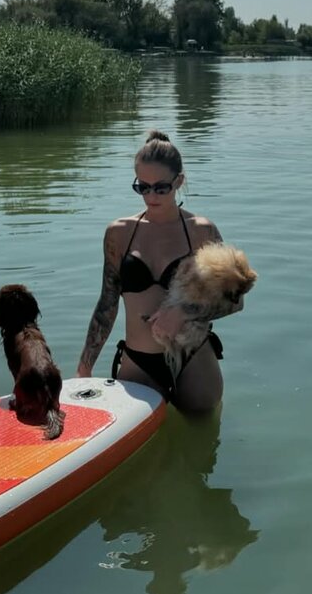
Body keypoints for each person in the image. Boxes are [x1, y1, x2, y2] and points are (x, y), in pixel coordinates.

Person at [76, 130, 237, 414]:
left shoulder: (202, 232)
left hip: (193, 357)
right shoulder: (118, 234)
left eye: (161, 188)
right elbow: (107, 304)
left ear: (179, 182)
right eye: (143, 187)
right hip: (139, 360)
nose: (151, 195)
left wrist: (183, 313)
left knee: (200, 428)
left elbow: (236, 299)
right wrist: (85, 366)